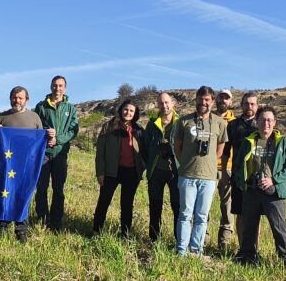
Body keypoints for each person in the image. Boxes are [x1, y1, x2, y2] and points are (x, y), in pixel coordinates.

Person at [231, 106, 286, 267]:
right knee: (249, 227)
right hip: (252, 191)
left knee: (279, 228)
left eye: (269, 120)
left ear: (274, 122)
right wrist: (242, 183)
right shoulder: (249, 141)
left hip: (273, 193)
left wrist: (273, 180)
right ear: (257, 121)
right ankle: (248, 258)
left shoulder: (283, 142)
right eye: (262, 120)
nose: (266, 123)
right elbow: (238, 165)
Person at [173, 86, 228, 255]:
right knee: (185, 215)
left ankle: (196, 250)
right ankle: (181, 251)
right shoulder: (184, 121)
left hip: (209, 177)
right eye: (200, 99)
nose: (203, 102)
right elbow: (177, 147)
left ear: (212, 101)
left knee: (202, 216)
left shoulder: (220, 123)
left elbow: (220, 150)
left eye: (207, 100)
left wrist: (208, 163)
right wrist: (187, 162)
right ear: (195, 99)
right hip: (187, 175)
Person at [0, 86, 43, 242]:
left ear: (26, 100)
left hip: (26, 165)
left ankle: (21, 229)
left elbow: (40, 142)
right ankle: (2, 225)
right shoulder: (1, 117)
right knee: (4, 193)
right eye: (14, 97)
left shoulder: (34, 118)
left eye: (20, 98)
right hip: (6, 164)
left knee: (23, 195)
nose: (17, 100)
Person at [92, 100, 145, 238]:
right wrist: (100, 173)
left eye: (132, 111)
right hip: (111, 171)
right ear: (121, 110)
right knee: (104, 201)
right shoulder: (109, 126)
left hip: (132, 172)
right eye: (126, 110)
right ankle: (96, 231)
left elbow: (144, 151)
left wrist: (142, 168)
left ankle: (125, 234)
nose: (128, 113)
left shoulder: (138, 129)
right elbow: (100, 153)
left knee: (127, 204)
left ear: (135, 113)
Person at [32, 75, 79, 232]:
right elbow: (35, 127)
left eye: (60, 86)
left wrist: (58, 139)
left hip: (60, 154)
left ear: (65, 88)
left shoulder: (70, 108)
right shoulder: (41, 106)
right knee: (42, 188)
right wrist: (46, 135)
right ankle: (42, 220)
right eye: (54, 85)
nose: (57, 88)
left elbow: (74, 130)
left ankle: (56, 222)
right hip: (43, 153)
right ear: (50, 86)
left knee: (58, 189)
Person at [143, 92, 180, 243]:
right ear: (157, 105)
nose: (164, 106)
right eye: (161, 103)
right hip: (156, 171)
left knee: (177, 206)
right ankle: (154, 239)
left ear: (173, 103)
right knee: (155, 205)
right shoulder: (152, 124)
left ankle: (179, 241)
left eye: (166, 102)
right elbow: (145, 147)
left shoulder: (181, 123)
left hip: (175, 171)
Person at [225, 92, 259, 246]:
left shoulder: (262, 124)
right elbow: (226, 150)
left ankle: (253, 248)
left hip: (256, 176)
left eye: (252, 104)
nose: (249, 106)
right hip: (238, 175)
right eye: (246, 103)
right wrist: (226, 171)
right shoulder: (233, 125)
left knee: (255, 214)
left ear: (257, 106)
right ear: (241, 105)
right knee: (240, 213)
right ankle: (242, 248)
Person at [214, 89, 236, 251]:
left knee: (227, 206)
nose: (223, 100)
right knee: (203, 205)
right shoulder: (209, 118)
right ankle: (203, 237)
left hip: (228, 169)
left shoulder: (235, 122)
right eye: (220, 97)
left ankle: (225, 242)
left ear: (231, 102)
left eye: (226, 98)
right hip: (208, 168)